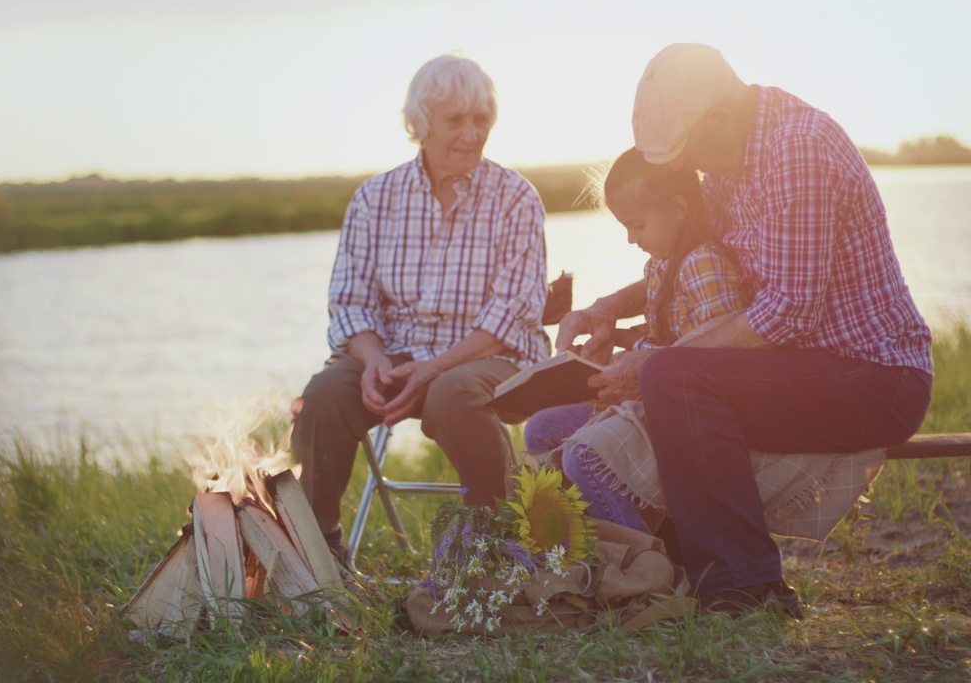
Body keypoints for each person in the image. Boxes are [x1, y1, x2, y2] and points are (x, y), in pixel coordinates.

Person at [557, 43, 933, 618]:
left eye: (683, 151)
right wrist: (610, 306)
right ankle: (684, 565)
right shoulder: (728, 159)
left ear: (723, 119)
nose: (679, 170)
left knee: (671, 376)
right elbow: (687, 256)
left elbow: (786, 312)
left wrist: (652, 361)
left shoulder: (798, 149)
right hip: (807, 365)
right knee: (666, 374)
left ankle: (748, 586)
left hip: (876, 376)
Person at [292, 54, 552, 560]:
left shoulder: (517, 198)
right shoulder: (375, 198)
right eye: (455, 120)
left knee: (452, 393)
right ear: (420, 125)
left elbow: (510, 314)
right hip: (394, 357)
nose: (471, 134)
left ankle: (496, 549)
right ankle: (315, 554)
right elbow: (350, 303)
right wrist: (374, 364)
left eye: (481, 120)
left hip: (489, 359)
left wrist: (433, 368)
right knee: (324, 395)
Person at [525, 146, 748, 533]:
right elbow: (669, 334)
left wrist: (638, 369)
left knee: (584, 458)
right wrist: (610, 346)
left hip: (676, 411)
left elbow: (716, 355)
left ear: (678, 209)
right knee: (540, 428)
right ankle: (587, 542)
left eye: (638, 225)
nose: (631, 238)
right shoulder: (662, 262)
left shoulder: (703, 265)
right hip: (645, 400)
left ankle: (643, 564)